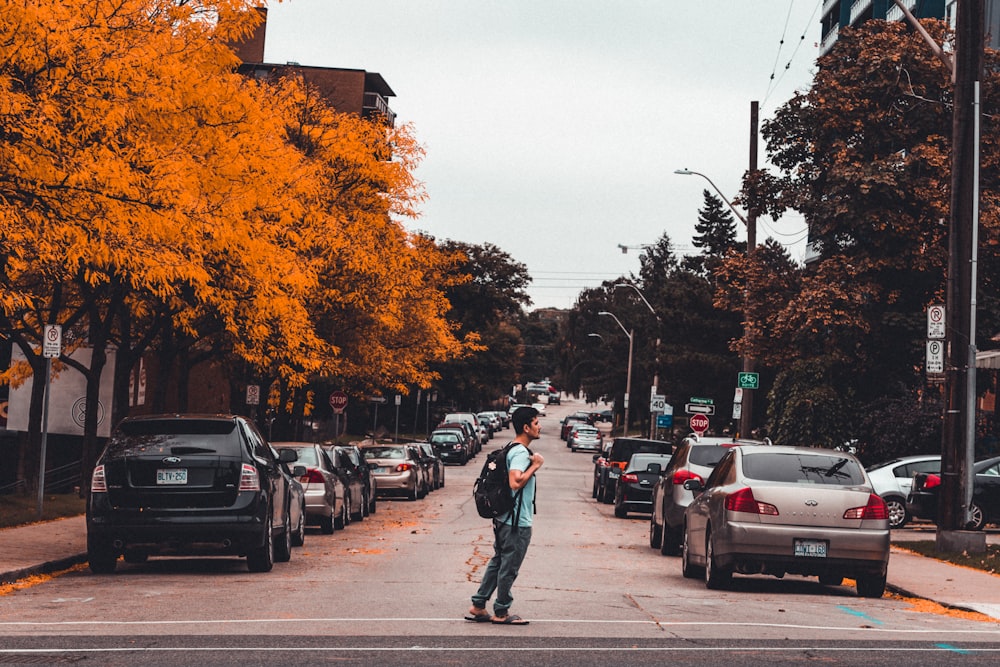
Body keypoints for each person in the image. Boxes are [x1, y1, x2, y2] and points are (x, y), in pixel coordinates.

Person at [465, 405, 544, 626]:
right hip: (517, 522)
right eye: (536, 423)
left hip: (503, 519)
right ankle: (501, 610)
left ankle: (478, 605)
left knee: (498, 561)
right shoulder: (520, 452)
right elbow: (515, 482)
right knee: (509, 566)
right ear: (526, 427)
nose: (540, 427)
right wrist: (535, 466)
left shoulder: (511, 448)